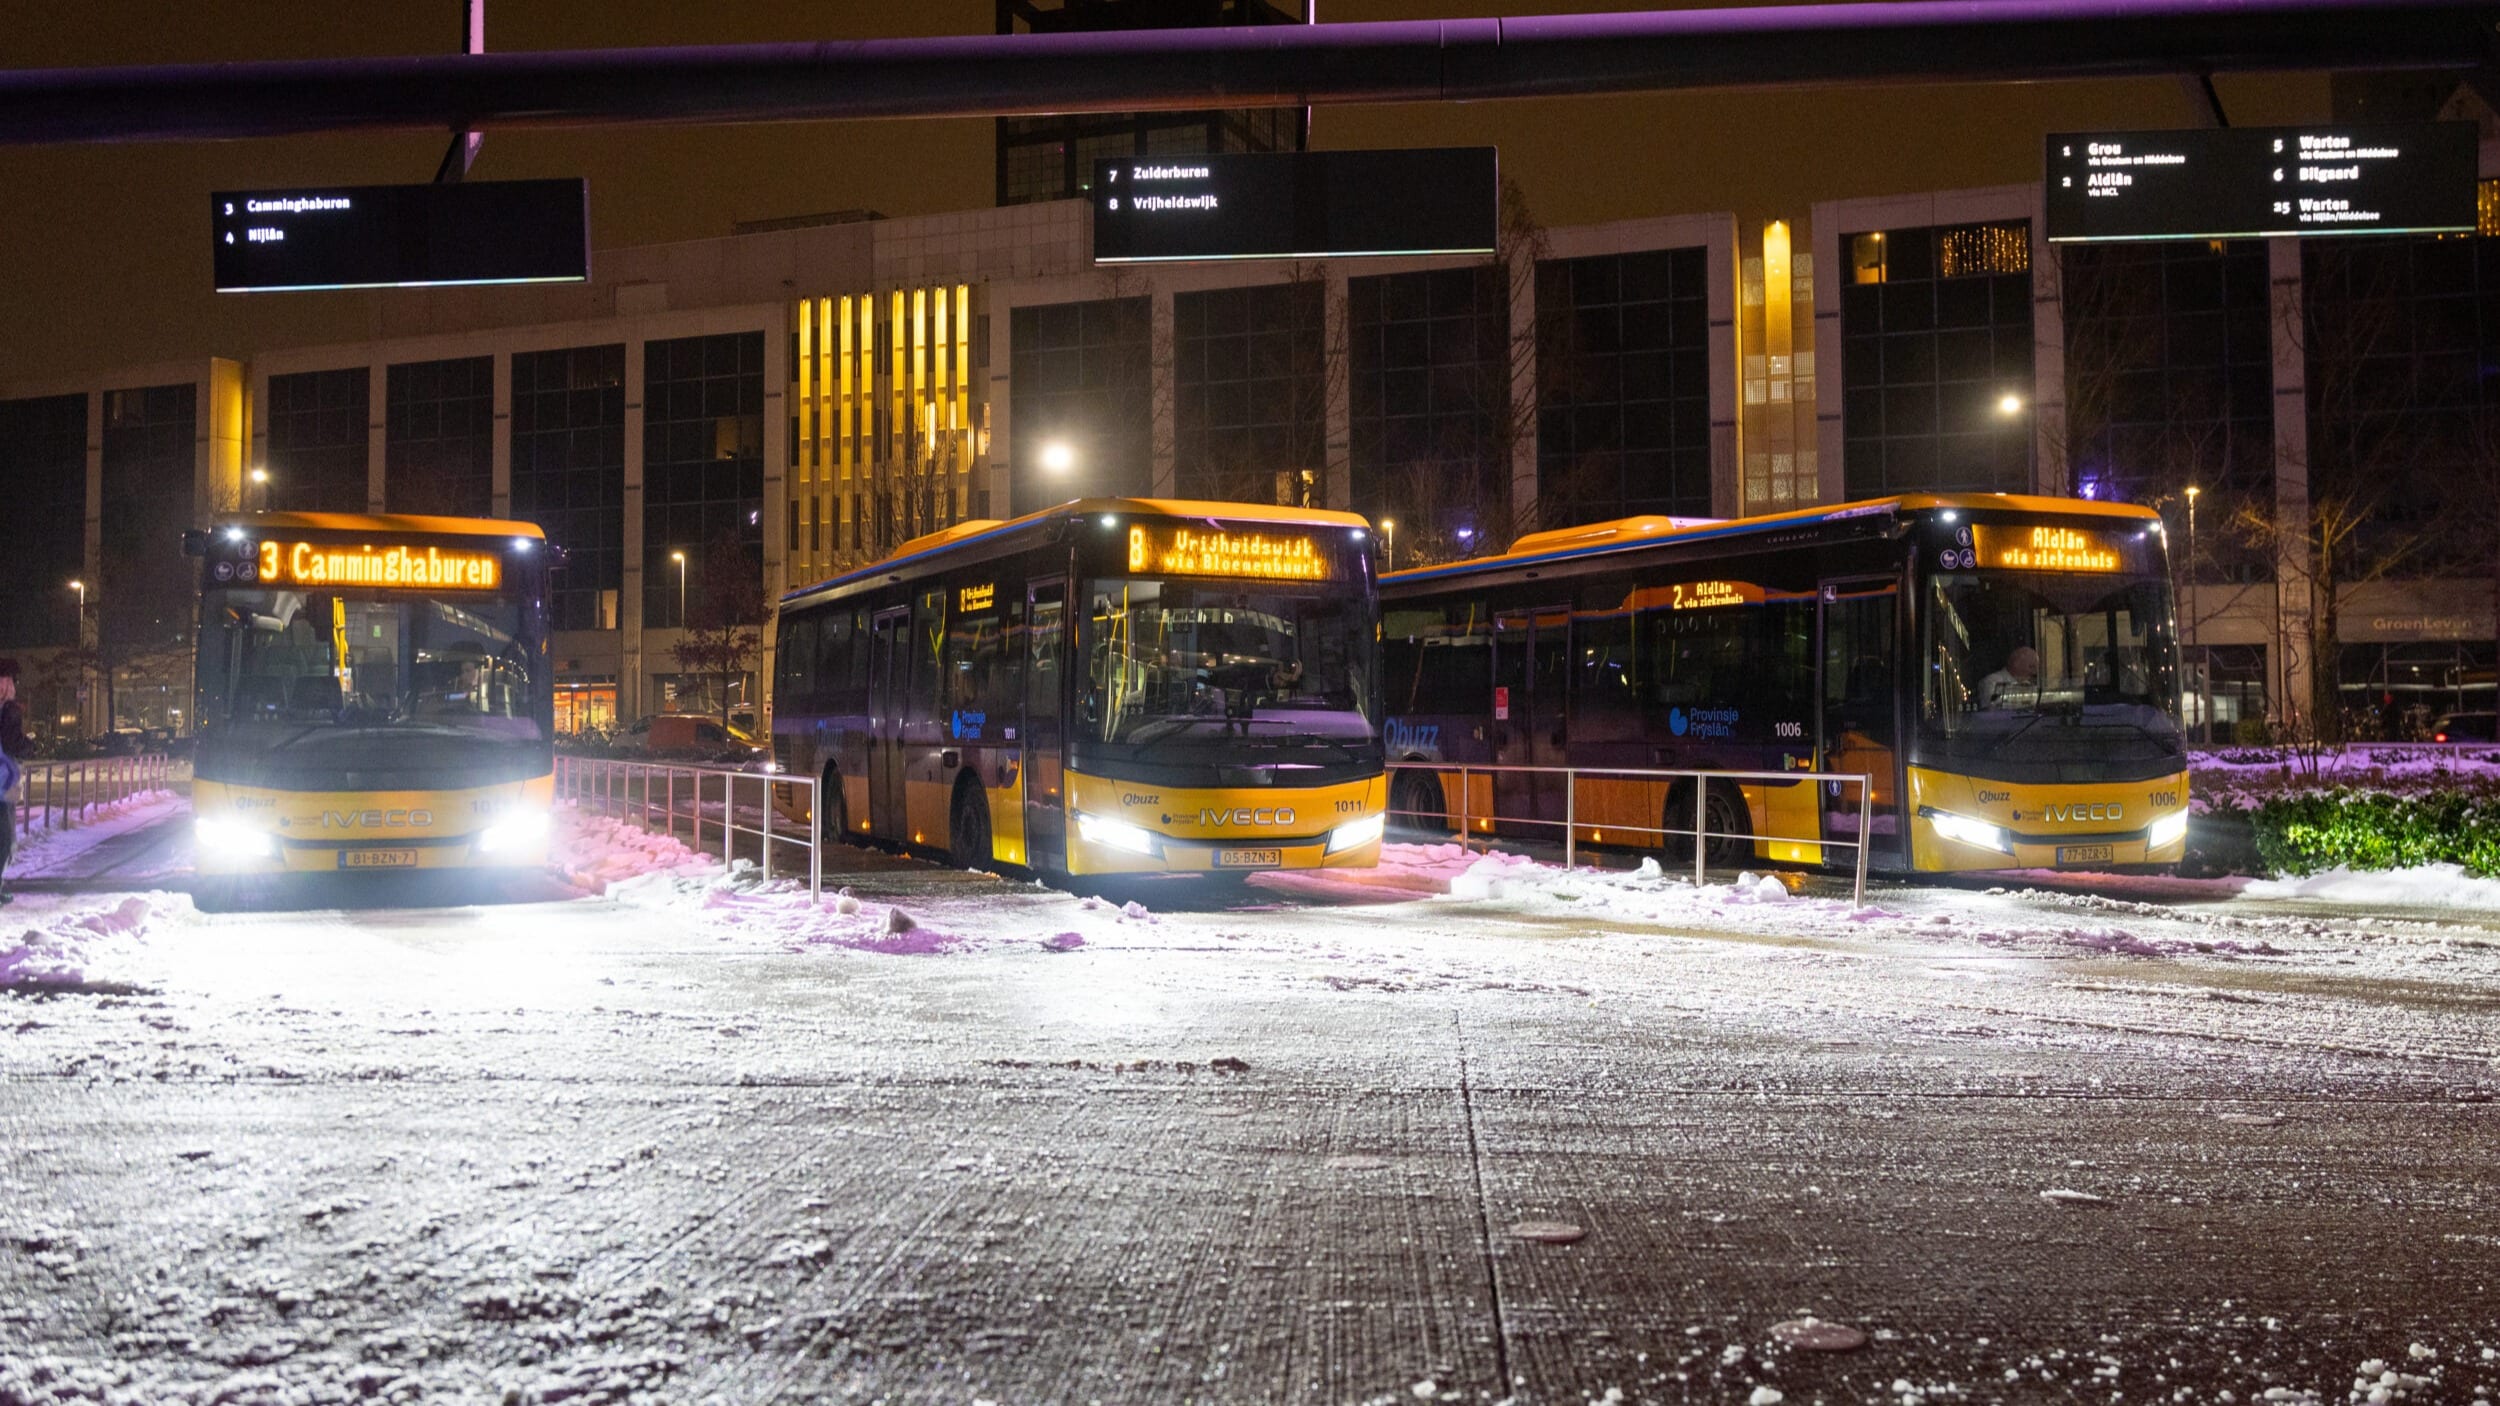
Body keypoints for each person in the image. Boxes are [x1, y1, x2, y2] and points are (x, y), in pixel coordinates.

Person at [0, 657, 26, 906]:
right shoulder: (9, 711)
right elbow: (12, 743)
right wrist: (29, 746)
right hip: (2, 784)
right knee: (6, 841)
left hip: (4, 782)